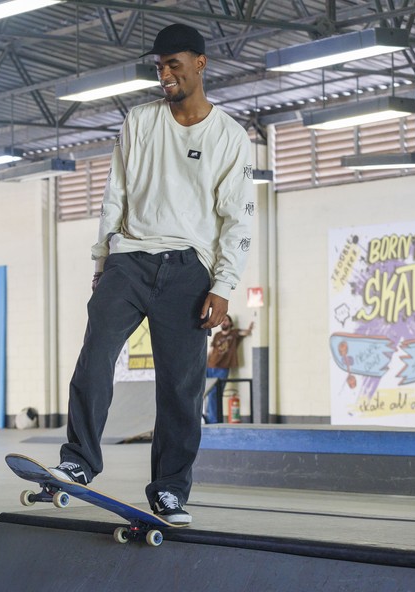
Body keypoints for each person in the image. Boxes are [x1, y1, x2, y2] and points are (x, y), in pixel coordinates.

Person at [50, 23, 254, 526]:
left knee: (180, 387)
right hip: (128, 260)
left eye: (173, 65)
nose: (164, 75)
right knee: (95, 355)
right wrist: (102, 260)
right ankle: (78, 461)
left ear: (200, 64)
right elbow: (114, 193)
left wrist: (223, 286)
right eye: (158, 67)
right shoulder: (139, 121)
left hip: (189, 269)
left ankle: (169, 490)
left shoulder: (229, 136)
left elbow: (239, 219)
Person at [204, 316, 254, 423]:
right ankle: (208, 418)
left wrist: (249, 329)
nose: (223, 322)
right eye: (222, 320)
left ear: (230, 323)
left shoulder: (233, 334)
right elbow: (211, 351)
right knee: (207, 393)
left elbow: (244, 333)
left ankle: (214, 420)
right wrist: (204, 363)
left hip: (222, 368)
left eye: (226, 320)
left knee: (214, 394)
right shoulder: (217, 335)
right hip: (209, 366)